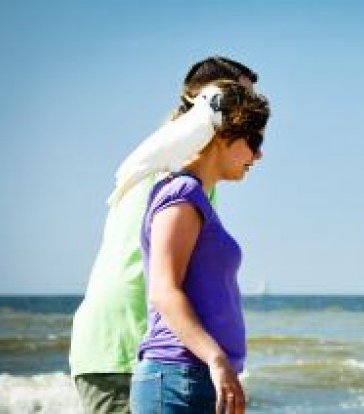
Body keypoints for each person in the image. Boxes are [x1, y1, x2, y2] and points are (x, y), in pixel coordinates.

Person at [69, 56, 259, 414]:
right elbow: (165, 287)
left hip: (144, 346)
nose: (249, 115)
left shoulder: (191, 169)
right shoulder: (182, 171)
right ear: (208, 100)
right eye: (240, 102)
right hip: (126, 345)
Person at [129, 79, 270, 414]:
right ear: (223, 135)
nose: (259, 154)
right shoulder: (181, 194)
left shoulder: (196, 198)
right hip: (178, 379)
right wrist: (216, 359)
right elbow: (164, 291)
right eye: (254, 140)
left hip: (194, 379)